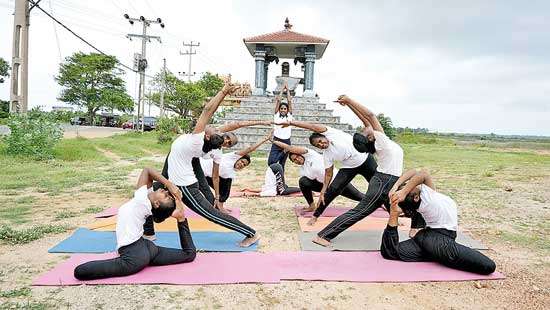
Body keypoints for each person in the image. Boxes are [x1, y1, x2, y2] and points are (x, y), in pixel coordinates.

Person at [144, 84, 264, 247]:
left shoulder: (196, 140)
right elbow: (225, 124)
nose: (213, 127)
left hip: (185, 186)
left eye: (212, 129)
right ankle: (148, 232)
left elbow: (208, 110)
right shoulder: (202, 142)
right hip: (175, 182)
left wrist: (223, 92)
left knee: (211, 214)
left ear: (206, 136)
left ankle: (252, 233)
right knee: (147, 197)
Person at [312, 95, 411, 246]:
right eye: (366, 132)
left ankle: (416, 226)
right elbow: (369, 116)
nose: (367, 128)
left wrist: (349, 106)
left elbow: (365, 120)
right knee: (360, 211)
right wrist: (350, 101)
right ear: (370, 138)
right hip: (383, 182)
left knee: (409, 198)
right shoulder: (382, 142)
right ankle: (323, 236)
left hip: (390, 181)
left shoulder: (381, 141)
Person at [74, 168, 196, 280]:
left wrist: (170, 184)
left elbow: (147, 170)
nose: (165, 191)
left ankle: (180, 217)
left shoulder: (141, 201)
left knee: (79, 272)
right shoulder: (147, 200)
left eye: (166, 196)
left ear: (157, 204)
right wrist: (179, 209)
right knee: (189, 254)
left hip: (133, 257)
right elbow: (149, 178)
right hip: (147, 248)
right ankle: (181, 218)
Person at [381, 169, 497, 275]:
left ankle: (433, 253)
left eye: (406, 187)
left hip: (428, 237)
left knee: (390, 251)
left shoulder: (428, 192)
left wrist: (396, 186)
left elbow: (415, 172)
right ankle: (436, 253)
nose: (409, 185)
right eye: (407, 189)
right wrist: (394, 212)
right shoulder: (427, 201)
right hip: (439, 240)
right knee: (489, 266)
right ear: (416, 197)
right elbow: (422, 175)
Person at [277, 119, 378, 225]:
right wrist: (323, 191)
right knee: (330, 191)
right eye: (318, 145)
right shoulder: (326, 155)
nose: (321, 144)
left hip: (365, 159)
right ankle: (316, 215)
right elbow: (328, 174)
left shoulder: (330, 134)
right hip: (349, 168)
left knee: (376, 186)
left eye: (320, 141)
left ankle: (387, 205)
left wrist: (291, 123)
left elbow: (311, 126)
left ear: (323, 136)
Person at [270, 139, 365, 211]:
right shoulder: (303, 171)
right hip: (325, 188)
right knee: (303, 181)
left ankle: (379, 201)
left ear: (301, 154)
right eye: (294, 160)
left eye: (297, 157)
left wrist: (274, 141)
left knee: (360, 197)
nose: (297, 160)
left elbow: (289, 148)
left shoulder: (310, 154)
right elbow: (308, 185)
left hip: (338, 181)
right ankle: (311, 206)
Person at [200, 131, 273, 213]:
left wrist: (218, 195)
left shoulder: (230, 171)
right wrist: (265, 139)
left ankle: (220, 205)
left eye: (244, 165)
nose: (241, 164)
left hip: (208, 176)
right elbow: (250, 149)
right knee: (225, 184)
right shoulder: (233, 156)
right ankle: (219, 206)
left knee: (228, 181)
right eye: (241, 162)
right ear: (238, 158)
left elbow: (216, 178)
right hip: (200, 172)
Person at [268, 83, 293, 172]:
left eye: (284, 109)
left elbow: (289, 101)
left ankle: (281, 183)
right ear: (279, 109)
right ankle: (284, 152)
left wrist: (288, 90)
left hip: (286, 141)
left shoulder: (289, 116)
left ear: (287, 110)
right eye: (281, 108)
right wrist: (282, 89)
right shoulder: (276, 115)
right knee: (271, 162)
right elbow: (278, 100)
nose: (283, 110)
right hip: (277, 140)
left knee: (282, 164)